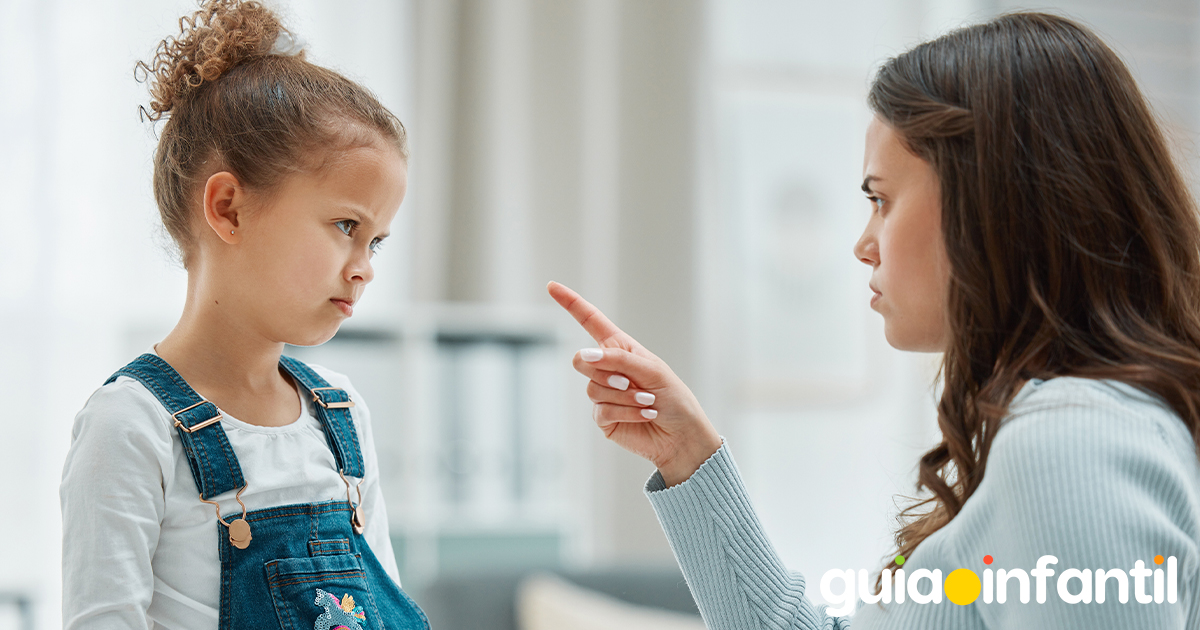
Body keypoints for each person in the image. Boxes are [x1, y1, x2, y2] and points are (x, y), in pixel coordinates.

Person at [549, 11, 1200, 629]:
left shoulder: (1070, 446)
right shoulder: (1073, 430)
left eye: (881, 200)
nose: (865, 244)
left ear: (989, 202)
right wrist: (687, 454)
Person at [58, 1, 427, 628]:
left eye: (377, 242)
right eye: (347, 226)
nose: (365, 267)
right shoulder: (131, 425)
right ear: (228, 208)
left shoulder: (342, 413)